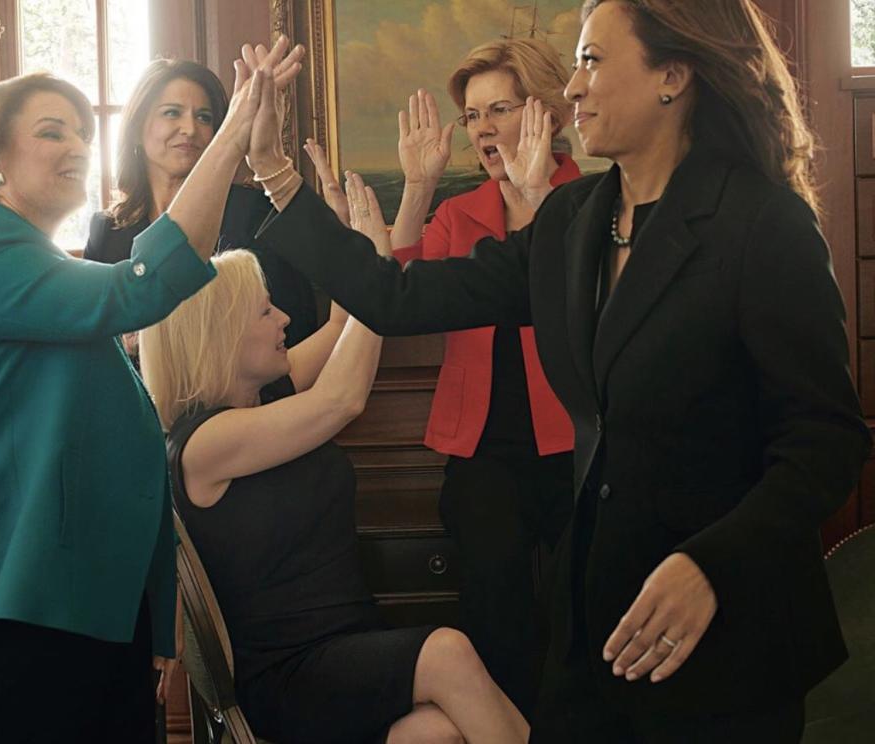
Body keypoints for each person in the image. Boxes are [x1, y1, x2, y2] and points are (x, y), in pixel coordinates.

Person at [241, 3, 872, 741]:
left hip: (726, 635)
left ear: (673, 74)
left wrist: (712, 566)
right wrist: (274, 172)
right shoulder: (573, 221)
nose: (571, 88)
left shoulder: (764, 223)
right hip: (595, 624)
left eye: (593, 61)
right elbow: (394, 295)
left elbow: (824, 441)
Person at [0, 40, 288, 743]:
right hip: (24, 605)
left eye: (84, 132)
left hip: (90, 606)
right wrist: (235, 129)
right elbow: (143, 287)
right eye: (52, 131)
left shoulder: (45, 269)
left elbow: (122, 445)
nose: (79, 145)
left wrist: (153, 616)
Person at [139, 163, 529, 744]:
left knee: (440, 734)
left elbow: (354, 313)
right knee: (447, 651)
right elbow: (342, 399)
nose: (286, 320)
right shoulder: (202, 444)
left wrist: (363, 234)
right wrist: (379, 269)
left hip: (346, 647)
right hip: (289, 673)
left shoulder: (270, 394)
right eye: (266, 311)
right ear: (219, 335)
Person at [306, 38, 578, 716]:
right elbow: (400, 286)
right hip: (483, 450)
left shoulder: (594, 203)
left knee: (586, 613)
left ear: (548, 113)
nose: (483, 128)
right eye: (473, 115)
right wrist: (420, 187)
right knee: (495, 617)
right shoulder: (461, 215)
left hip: (582, 447)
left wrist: (538, 193)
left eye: (500, 109)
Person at [85, 56, 317, 353]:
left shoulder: (254, 213)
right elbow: (93, 338)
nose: (190, 129)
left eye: (204, 118)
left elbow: (296, 327)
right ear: (137, 128)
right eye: (172, 113)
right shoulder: (107, 229)